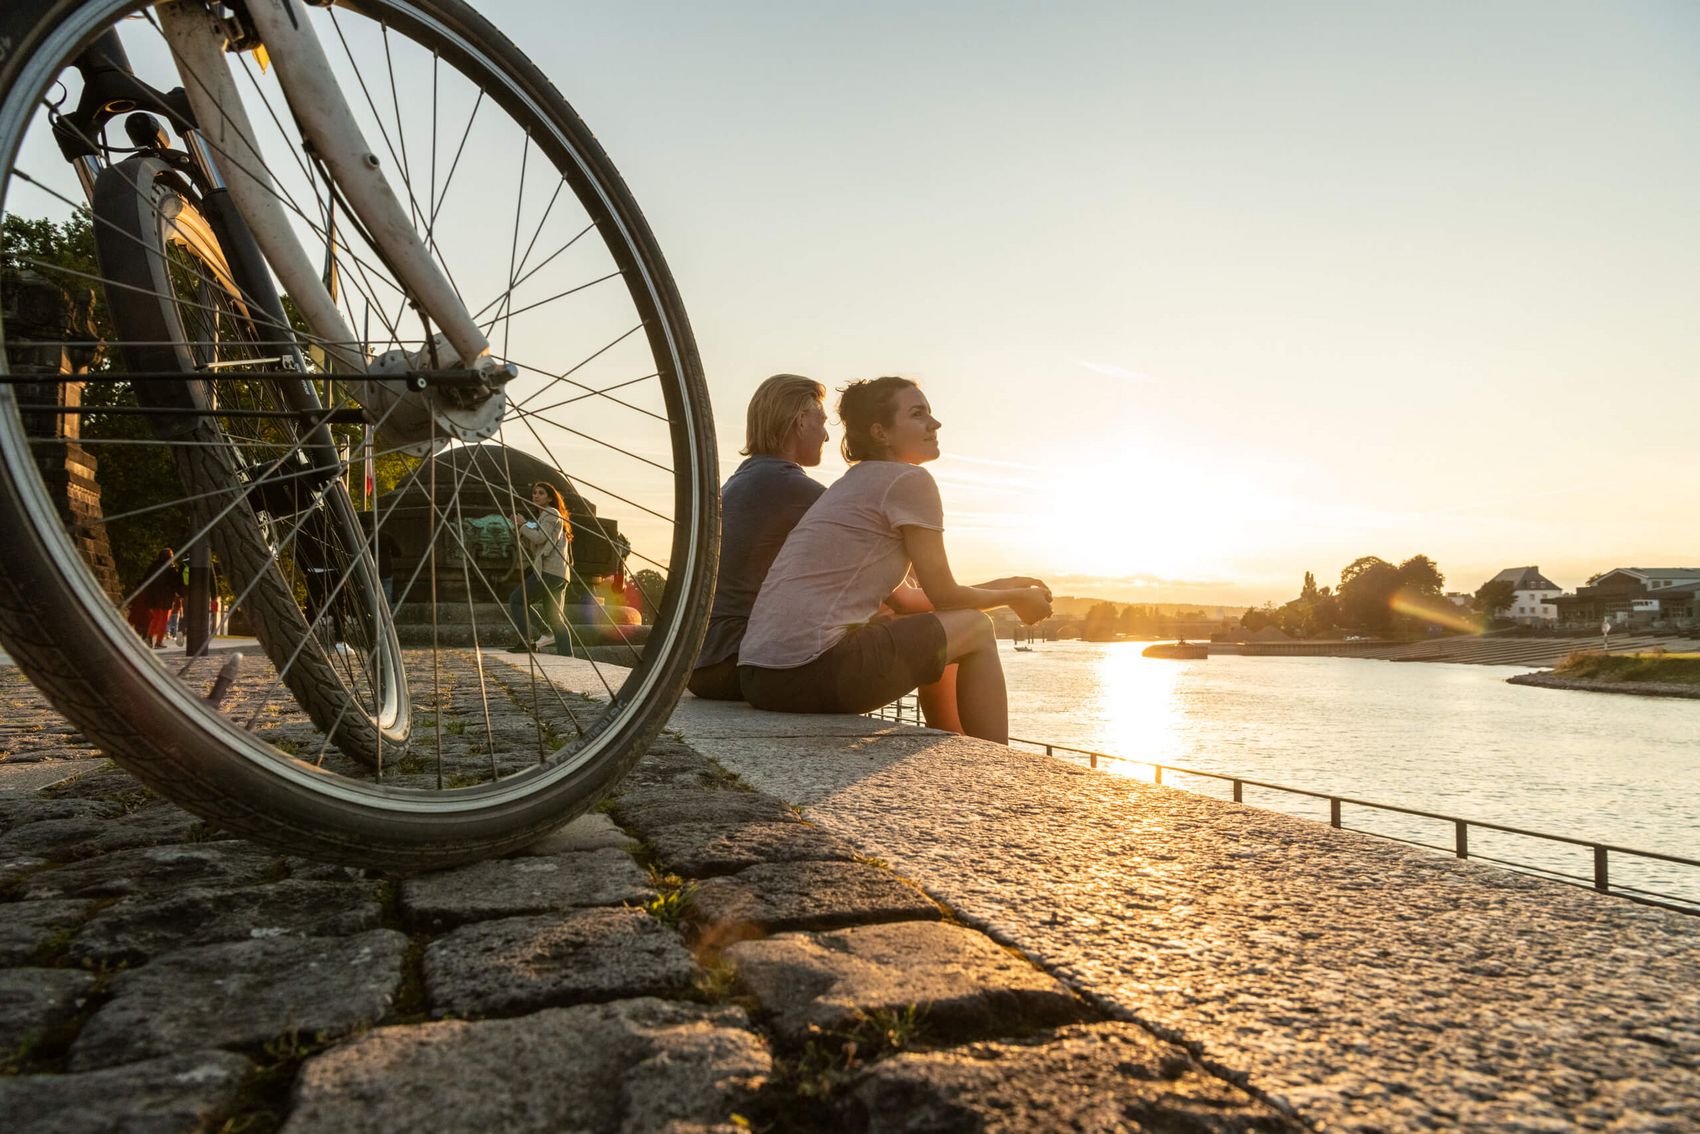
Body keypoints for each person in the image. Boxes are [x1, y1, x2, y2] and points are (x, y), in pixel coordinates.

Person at [738, 377, 1050, 743]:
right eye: (918, 414)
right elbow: (945, 595)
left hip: (760, 678)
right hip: (808, 670)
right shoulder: (909, 480)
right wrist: (1014, 598)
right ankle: (995, 763)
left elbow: (909, 600)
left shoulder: (851, 486)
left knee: (944, 628)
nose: (934, 424)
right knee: (977, 628)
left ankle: (952, 744)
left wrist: (1005, 586)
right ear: (880, 432)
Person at [688, 374, 831, 699]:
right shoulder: (793, 488)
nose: (826, 435)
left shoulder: (738, 482)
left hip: (701, 661)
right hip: (738, 659)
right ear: (800, 421)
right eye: (822, 421)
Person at [508, 480, 574, 655]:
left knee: (517, 600)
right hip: (559, 574)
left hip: (549, 571)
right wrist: (523, 526)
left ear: (550, 498)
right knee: (555, 617)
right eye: (534, 493)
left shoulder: (551, 513)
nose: (536, 496)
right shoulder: (547, 517)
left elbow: (539, 538)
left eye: (541, 493)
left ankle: (528, 641)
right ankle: (567, 656)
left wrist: (523, 525)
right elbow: (537, 538)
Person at [128, 547, 184, 649]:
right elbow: (175, 584)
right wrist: (181, 593)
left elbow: (145, 580)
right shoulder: (171, 569)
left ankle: (149, 639)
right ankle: (158, 642)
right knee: (163, 620)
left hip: (152, 597)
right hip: (166, 597)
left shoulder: (152, 566)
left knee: (156, 618)